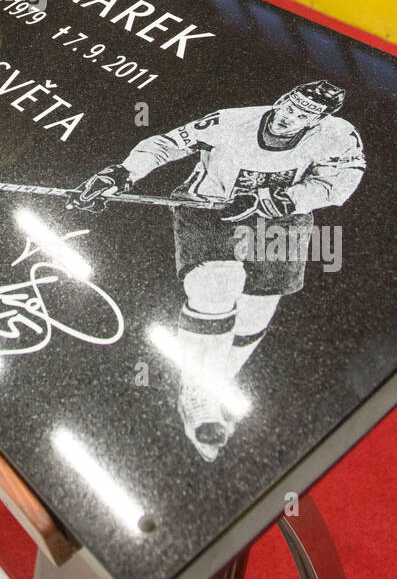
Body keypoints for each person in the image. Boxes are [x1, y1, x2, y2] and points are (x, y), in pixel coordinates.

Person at [67, 81, 364, 462]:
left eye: (304, 114)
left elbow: (340, 181)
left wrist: (289, 198)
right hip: (211, 210)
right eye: (290, 105)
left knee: (258, 306)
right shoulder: (231, 122)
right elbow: (168, 144)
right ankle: (196, 391)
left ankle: (218, 384)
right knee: (217, 284)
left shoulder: (339, 136)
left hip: (280, 219)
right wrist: (121, 174)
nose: (290, 116)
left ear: (318, 120)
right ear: (280, 98)